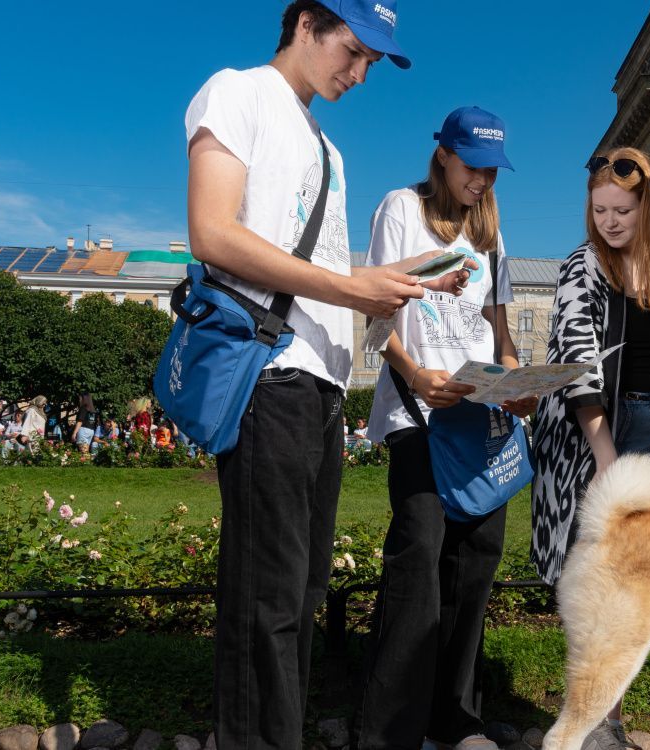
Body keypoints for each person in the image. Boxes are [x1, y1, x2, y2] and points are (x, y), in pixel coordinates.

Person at [184, 3, 470, 748]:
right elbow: (213, 234)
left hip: (320, 383)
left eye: (374, 61)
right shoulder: (237, 92)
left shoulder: (328, 149)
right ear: (307, 22)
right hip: (268, 374)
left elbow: (319, 271)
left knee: (303, 591)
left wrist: (403, 277)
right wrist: (351, 290)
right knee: (267, 596)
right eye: (354, 50)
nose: (361, 72)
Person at [357, 106, 535, 750]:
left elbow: (500, 328)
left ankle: (454, 720)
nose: (483, 180)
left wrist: (517, 383)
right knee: (418, 564)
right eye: (473, 166)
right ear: (443, 156)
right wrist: (417, 375)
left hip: (479, 420)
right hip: (418, 414)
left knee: (476, 565)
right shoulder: (399, 210)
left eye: (492, 170)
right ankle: (392, 731)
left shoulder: (490, 231)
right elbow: (377, 316)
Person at [529, 145, 650, 749]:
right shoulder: (582, 266)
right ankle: (591, 721)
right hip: (590, 433)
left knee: (634, 579)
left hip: (649, 425)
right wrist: (603, 454)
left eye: (623, 210)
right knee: (596, 579)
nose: (611, 222)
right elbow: (576, 358)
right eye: (600, 211)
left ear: (648, 207)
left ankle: (605, 716)